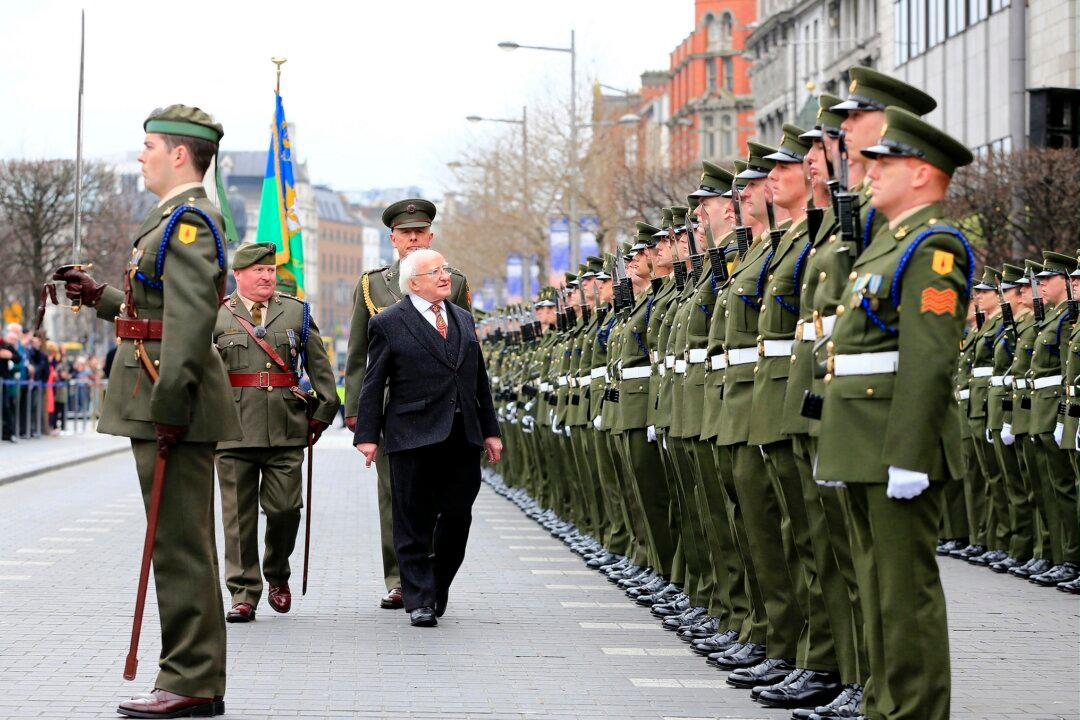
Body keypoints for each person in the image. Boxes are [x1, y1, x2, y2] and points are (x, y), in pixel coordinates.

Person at [54, 104, 242, 718]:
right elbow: (160, 312)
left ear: (180, 155)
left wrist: (168, 407)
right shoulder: (170, 219)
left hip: (171, 398)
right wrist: (102, 298)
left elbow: (189, 326)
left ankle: (191, 680)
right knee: (177, 541)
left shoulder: (187, 222)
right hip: (165, 394)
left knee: (181, 544)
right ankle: (189, 674)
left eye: (149, 146)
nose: (141, 156)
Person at [816, 105, 974, 720]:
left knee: (904, 595)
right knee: (878, 590)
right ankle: (883, 707)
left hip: (893, 445)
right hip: (861, 440)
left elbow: (928, 362)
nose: (871, 170)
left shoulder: (934, 248)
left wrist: (908, 454)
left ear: (922, 173)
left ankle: (913, 712)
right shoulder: (889, 244)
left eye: (887, 162)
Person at [353, 248, 500, 627]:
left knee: (457, 517)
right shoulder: (388, 322)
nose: (444, 276)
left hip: (461, 434)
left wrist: (490, 431)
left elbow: (478, 380)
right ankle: (418, 598)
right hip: (411, 434)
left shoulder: (464, 319)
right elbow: (373, 382)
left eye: (445, 269)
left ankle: (436, 581)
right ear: (413, 282)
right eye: (435, 271)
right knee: (412, 519)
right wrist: (367, 435)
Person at [343, 198, 471, 611]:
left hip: (444, 408)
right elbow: (359, 352)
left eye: (421, 231)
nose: (414, 238)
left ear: (431, 236)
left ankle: (430, 573)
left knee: (444, 501)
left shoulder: (455, 281)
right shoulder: (372, 285)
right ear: (393, 239)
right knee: (395, 495)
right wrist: (357, 411)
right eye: (406, 233)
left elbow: (464, 346)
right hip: (392, 408)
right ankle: (400, 578)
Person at [213, 242, 339, 623]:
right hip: (232, 430)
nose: (268, 276)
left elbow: (319, 366)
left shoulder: (295, 312)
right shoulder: (216, 316)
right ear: (239, 275)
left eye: (270, 271)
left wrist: (322, 413)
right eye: (259, 271)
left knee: (285, 509)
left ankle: (277, 574)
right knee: (238, 518)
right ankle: (243, 592)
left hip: (285, 427)